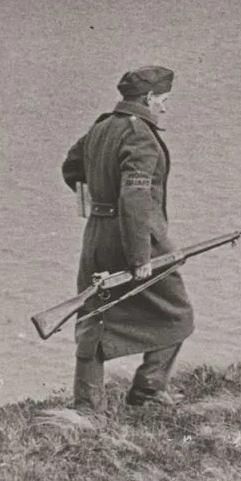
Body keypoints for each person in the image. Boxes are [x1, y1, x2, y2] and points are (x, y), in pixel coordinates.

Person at [60, 66, 194, 409]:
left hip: (97, 235)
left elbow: (72, 168)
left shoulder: (102, 126)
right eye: (163, 100)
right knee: (177, 313)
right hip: (134, 237)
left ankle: (87, 405)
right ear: (149, 98)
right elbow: (135, 197)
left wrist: (97, 202)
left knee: (94, 314)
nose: (163, 108)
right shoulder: (140, 134)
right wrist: (140, 257)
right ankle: (149, 389)